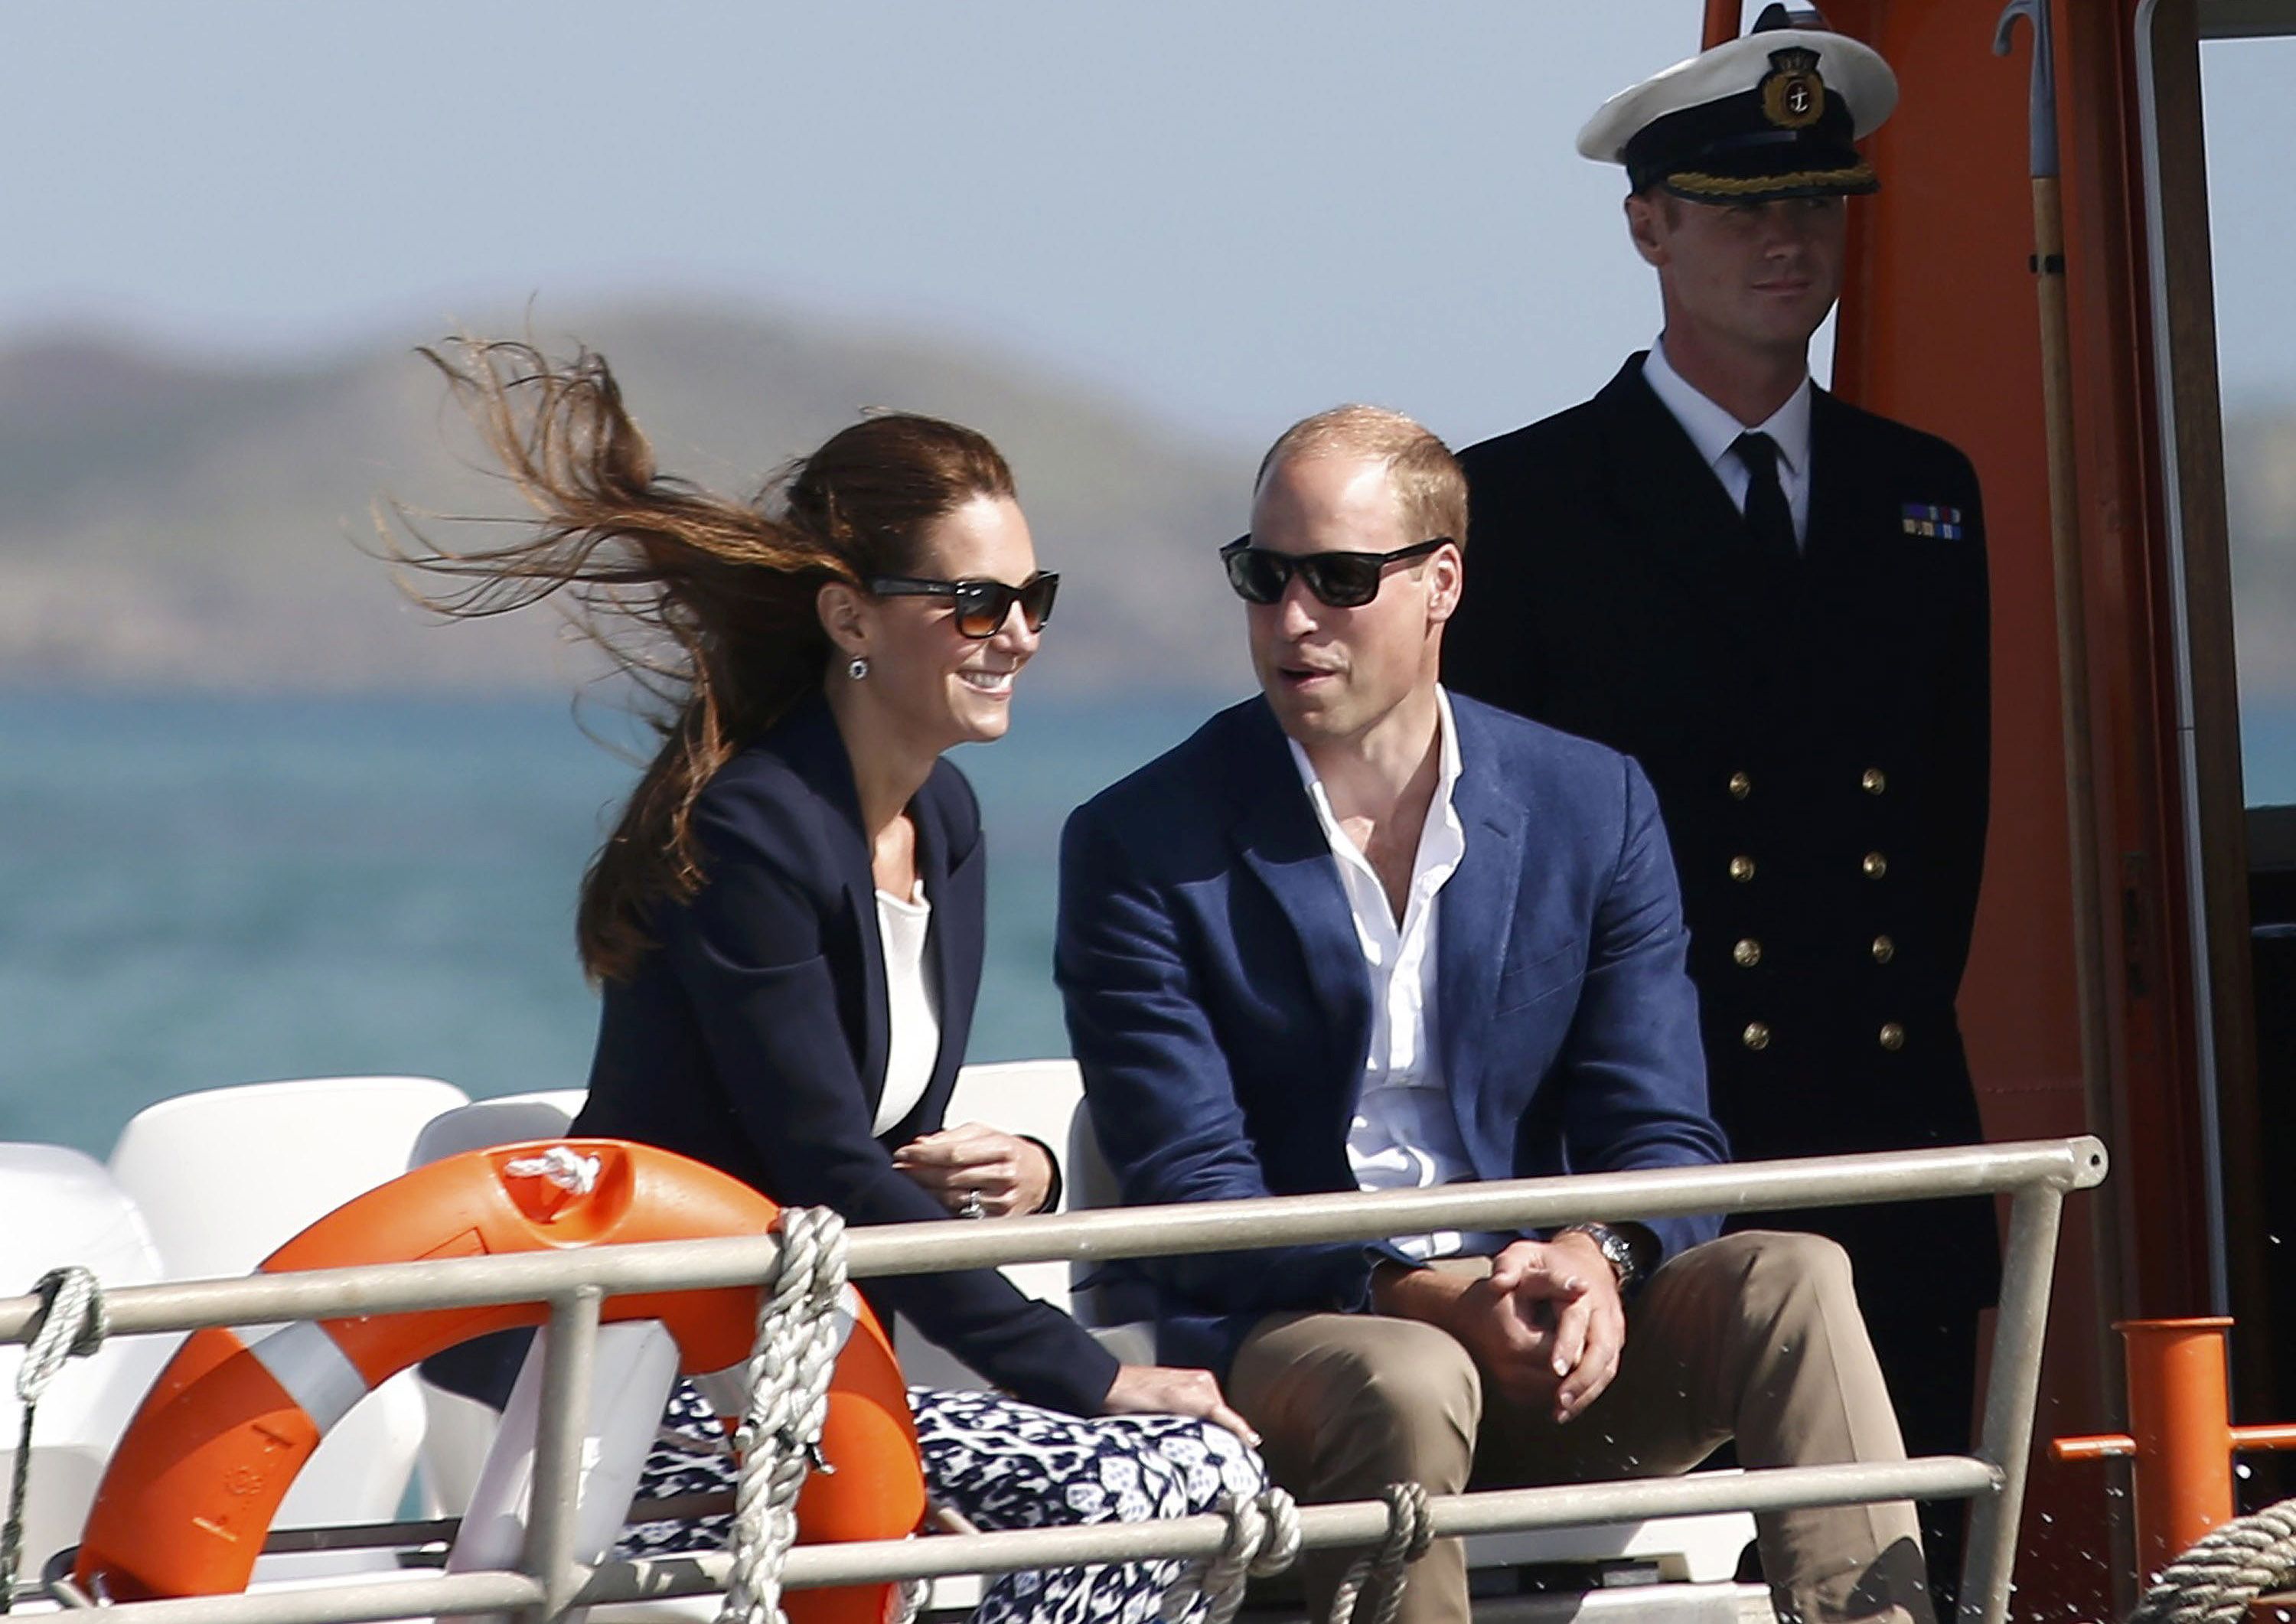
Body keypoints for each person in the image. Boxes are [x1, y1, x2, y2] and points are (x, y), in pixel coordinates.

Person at [393, 339, 1264, 1624]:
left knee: (1201, 1473)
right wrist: (1091, 1375)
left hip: (806, 1358)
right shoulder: (752, 831)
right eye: (975, 601)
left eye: (1034, 595)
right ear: (851, 617)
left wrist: (1026, 1166)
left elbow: (883, 1139)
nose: (1016, 632)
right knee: (1167, 1470)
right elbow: (822, 1164)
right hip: (650, 1374)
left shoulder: (946, 821)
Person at [1056, 405, 1935, 1624]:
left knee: (1794, 1276)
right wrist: (1424, 1291)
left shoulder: (1594, 801)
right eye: (1264, 575)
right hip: (1306, 1346)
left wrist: (1598, 1258)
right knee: (1409, 1375)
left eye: (1342, 578)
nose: (1293, 617)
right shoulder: (1138, 842)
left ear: (1442, 584)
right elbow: (1199, 1194)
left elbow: (1665, 1133)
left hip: (1554, 1341)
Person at [1440, 9, 1994, 1606]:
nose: (1785, 240)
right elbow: (1505, 881)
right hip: (1677, 1144)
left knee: (1915, 1560)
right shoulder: (1526, 507)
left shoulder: (1924, 491)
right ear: (1647, 225)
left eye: (1814, 202)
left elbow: (1946, 823)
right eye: (1743, 204)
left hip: (1887, 1115)